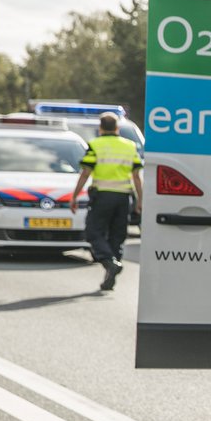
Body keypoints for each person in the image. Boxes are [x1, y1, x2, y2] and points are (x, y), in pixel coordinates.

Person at [69, 112, 143, 291]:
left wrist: (75, 196)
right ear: (117, 128)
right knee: (117, 237)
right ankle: (111, 272)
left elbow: (85, 173)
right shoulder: (130, 146)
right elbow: (136, 177)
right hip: (123, 198)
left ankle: (109, 262)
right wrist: (140, 200)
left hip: (102, 196)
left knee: (93, 232)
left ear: (100, 128)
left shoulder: (95, 145)